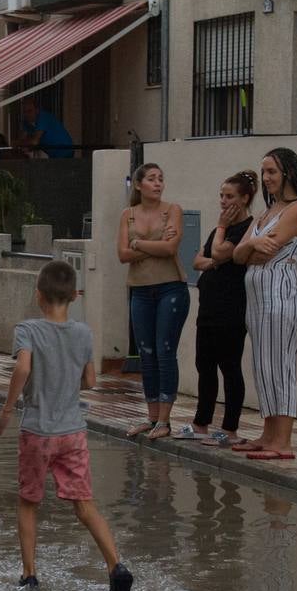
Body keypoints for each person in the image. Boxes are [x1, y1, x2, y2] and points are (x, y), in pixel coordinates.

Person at [0, 260, 133, 591]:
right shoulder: (84, 333)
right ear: (75, 295)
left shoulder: (27, 329)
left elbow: (22, 368)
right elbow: (90, 381)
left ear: (38, 295)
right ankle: (116, 567)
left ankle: (29, 575)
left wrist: (8, 408)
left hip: (37, 431)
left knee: (28, 501)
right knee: (85, 505)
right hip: (73, 432)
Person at [232, 148, 297, 461]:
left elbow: (268, 252)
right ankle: (268, 434)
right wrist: (251, 243)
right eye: (263, 172)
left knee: (281, 367)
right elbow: (239, 255)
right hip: (257, 300)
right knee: (264, 367)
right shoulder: (266, 213)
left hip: (280, 297)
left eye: (272, 172)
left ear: (288, 172)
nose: (265, 178)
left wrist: (249, 249)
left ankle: (283, 441)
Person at [117, 162, 187, 440]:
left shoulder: (173, 210)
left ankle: (165, 420)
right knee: (146, 353)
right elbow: (122, 255)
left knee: (165, 350)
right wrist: (153, 246)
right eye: (151, 179)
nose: (158, 183)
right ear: (138, 184)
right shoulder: (128, 215)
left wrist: (137, 244)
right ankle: (152, 416)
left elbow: (170, 248)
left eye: (161, 178)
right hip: (140, 290)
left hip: (170, 287)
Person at [187, 171, 256, 446]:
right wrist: (216, 260)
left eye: (229, 196)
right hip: (209, 307)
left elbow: (217, 252)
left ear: (245, 198)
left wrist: (219, 241)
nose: (223, 202)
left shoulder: (245, 228)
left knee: (229, 366)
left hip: (231, 308)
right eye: (221, 196)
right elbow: (198, 261)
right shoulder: (221, 231)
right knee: (204, 365)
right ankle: (201, 422)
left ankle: (230, 429)